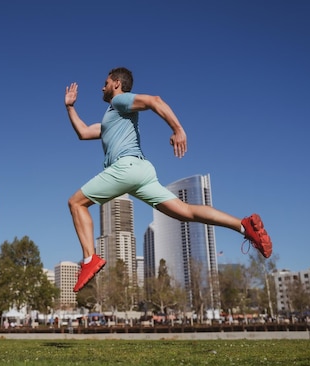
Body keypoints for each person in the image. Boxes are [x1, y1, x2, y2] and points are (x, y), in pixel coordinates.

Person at [64, 67, 272, 293]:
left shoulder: (120, 101)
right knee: (185, 211)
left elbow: (154, 100)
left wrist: (178, 129)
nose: (101, 87)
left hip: (126, 167)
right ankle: (243, 226)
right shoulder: (111, 118)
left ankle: (89, 259)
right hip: (142, 172)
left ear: (116, 84)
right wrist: (70, 107)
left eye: (105, 82)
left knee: (76, 203)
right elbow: (84, 132)